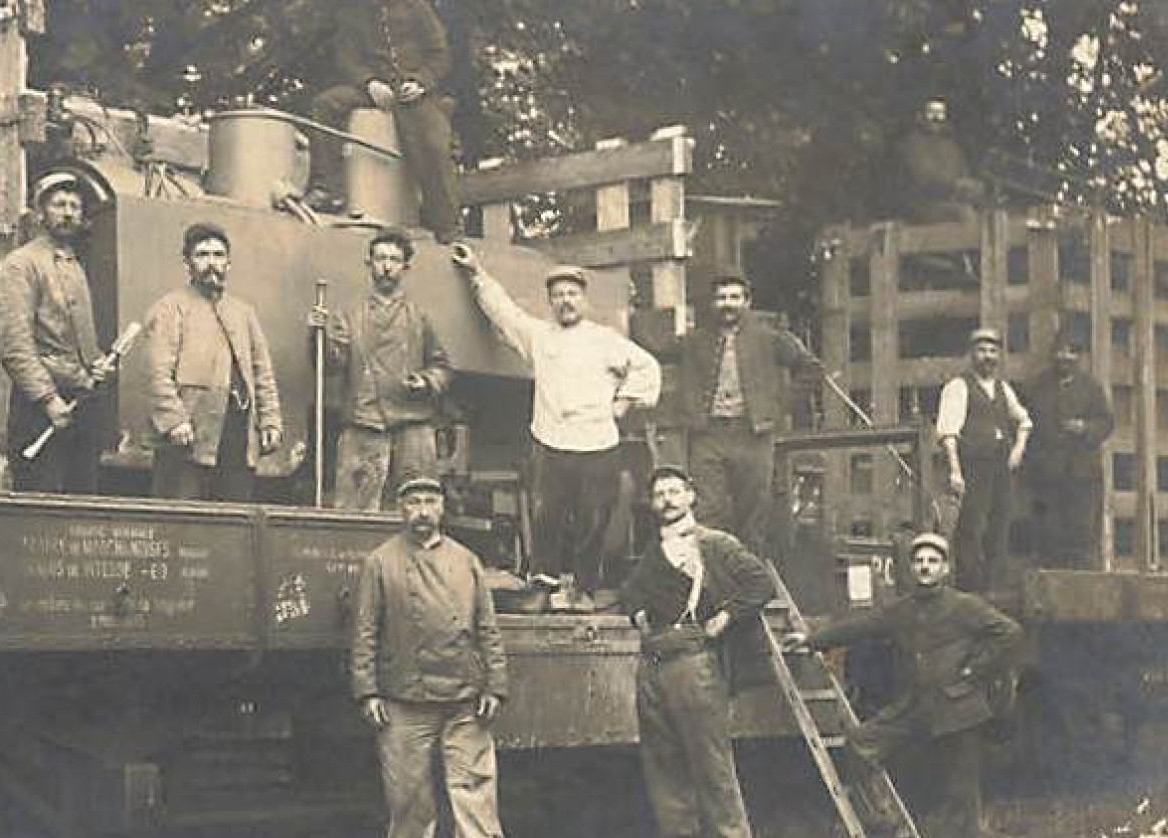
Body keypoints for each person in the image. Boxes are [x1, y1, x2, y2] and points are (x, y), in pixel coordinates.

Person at [783, 532, 1022, 838]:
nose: (925, 568)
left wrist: (973, 670)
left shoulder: (965, 606)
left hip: (958, 709)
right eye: (920, 562)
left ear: (945, 568)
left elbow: (1009, 632)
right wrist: (811, 640)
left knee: (960, 786)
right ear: (911, 568)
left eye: (933, 562)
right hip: (915, 705)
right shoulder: (902, 609)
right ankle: (884, 817)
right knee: (860, 743)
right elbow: (859, 627)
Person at [452, 246, 662, 613]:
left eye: (572, 294)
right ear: (550, 301)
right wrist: (476, 272)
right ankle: (544, 588)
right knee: (546, 517)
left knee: (593, 519)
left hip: (597, 442)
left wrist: (623, 403)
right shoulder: (539, 336)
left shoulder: (605, 339)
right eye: (559, 295)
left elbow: (646, 367)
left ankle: (583, 590)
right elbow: (504, 313)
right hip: (550, 440)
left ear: (583, 299)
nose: (566, 301)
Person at [350, 476, 522, 838]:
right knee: (408, 791)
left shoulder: (466, 561)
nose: (422, 510)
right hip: (404, 696)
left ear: (442, 508)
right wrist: (367, 690)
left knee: (474, 785)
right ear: (400, 509)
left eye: (430, 501)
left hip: (465, 695)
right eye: (413, 502)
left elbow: (488, 628)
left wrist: (495, 685)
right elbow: (365, 632)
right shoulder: (380, 562)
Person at [620, 466, 772, 838]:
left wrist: (727, 615)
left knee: (712, 764)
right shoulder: (653, 550)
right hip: (653, 662)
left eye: (674, 491)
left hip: (694, 661)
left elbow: (759, 583)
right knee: (663, 762)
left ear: (691, 497)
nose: (667, 499)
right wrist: (638, 616)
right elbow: (629, 591)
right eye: (659, 494)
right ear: (652, 505)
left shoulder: (715, 543)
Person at [304, 0, 461, 242]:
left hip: (414, 94)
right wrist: (369, 83)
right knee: (325, 104)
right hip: (374, 89)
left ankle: (447, 227)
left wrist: (421, 82)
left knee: (435, 142)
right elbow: (346, 58)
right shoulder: (353, 14)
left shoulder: (420, 10)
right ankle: (327, 189)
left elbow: (441, 55)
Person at [676, 274, 821, 553]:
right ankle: (714, 578)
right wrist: (689, 411)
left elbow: (811, 368)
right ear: (712, 303)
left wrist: (780, 405)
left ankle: (749, 579)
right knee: (708, 509)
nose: (727, 304)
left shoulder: (768, 337)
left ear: (747, 302)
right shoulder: (696, 341)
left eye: (734, 297)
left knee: (753, 511)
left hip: (753, 435)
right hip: (709, 436)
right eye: (721, 298)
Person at [311, 229, 453, 510]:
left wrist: (426, 381)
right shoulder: (349, 315)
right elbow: (330, 364)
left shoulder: (420, 316)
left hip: (413, 429)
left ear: (405, 267)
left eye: (395, 260)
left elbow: (442, 367)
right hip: (363, 426)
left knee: (417, 513)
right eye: (380, 259)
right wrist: (316, 334)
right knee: (355, 517)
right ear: (369, 264)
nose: (387, 266)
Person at [144, 222, 282, 501]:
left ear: (228, 264)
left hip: (237, 431)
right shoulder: (169, 308)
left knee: (233, 518)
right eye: (202, 255)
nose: (211, 263)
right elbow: (157, 373)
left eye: (218, 255)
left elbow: (261, 372)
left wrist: (270, 422)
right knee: (184, 521)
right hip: (188, 434)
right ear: (187, 262)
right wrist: (174, 421)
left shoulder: (244, 313)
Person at [0, 170, 112, 493]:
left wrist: (96, 362)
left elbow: (78, 338)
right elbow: (14, 345)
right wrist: (48, 400)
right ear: (40, 212)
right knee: (41, 518)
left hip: (81, 405)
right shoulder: (21, 264)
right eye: (59, 204)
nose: (68, 212)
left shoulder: (75, 265)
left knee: (81, 507)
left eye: (75, 206)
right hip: (40, 411)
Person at [936, 327, 1031, 594]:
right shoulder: (958, 387)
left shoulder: (1003, 388)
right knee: (971, 531)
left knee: (999, 529)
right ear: (971, 354)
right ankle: (970, 593)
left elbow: (1024, 420)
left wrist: (1018, 450)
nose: (987, 356)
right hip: (973, 467)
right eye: (981, 350)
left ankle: (994, 593)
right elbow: (948, 433)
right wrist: (955, 470)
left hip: (1000, 469)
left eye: (992, 351)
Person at [1023, 330, 1114, 570]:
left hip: (1082, 475)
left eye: (1071, 352)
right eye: (1061, 351)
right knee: (1048, 535)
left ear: (1079, 357)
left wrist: (1085, 428)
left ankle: (1082, 588)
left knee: (1081, 533)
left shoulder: (1091, 388)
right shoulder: (1037, 387)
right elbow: (1024, 424)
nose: (1065, 356)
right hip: (1047, 475)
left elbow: (1106, 422)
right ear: (1053, 354)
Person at [899, 98, 984, 228]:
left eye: (940, 114)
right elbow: (924, 179)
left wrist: (972, 187)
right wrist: (954, 185)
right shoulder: (912, 144)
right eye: (931, 113)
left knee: (989, 214)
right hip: (922, 206)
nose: (936, 119)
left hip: (951, 202)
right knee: (964, 214)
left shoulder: (951, 146)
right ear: (920, 116)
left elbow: (963, 175)